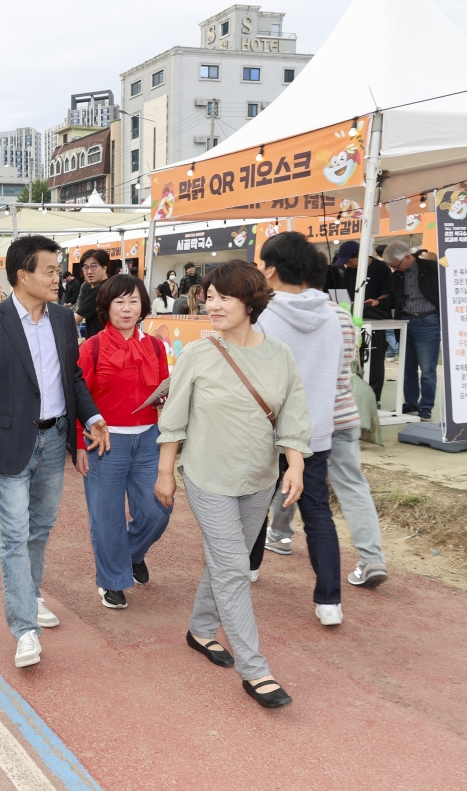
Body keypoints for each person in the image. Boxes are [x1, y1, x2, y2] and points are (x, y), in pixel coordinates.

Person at [154, 260, 310, 709]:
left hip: (259, 478)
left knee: (231, 562)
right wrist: (166, 472)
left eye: (224, 296)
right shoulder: (199, 354)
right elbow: (175, 419)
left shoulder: (279, 354)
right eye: (209, 295)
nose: (212, 303)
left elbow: (293, 415)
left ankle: (202, 629)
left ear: (250, 301)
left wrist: (294, 465)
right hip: (208, 477)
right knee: (233, 569)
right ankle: (255, 669)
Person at [0, 235, 111, 669]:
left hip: (54, 439)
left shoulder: (64, 319)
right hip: (7, 445)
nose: (59, 277)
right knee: (12, 538)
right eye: (49, 270)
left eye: (58, 268)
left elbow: (74, 380)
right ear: (22, 275)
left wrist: (93, 418)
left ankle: (31, 593)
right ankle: (24, 629)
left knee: (39, 529)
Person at [256, 254, 389, 588]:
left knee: (289, 475)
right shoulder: (341, 316)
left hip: (299, 419)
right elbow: (346, 368)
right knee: (349, 486)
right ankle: (371, 559)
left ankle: (280, 534)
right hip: (341, 415)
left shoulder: (273, 316)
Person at [253, 232, 346, 626]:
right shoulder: (332, 313)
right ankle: (329, 602)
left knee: (255, 503)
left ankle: (249, 567)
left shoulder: (263, 316)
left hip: (269, 431)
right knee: (318, 513)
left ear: (271, 269)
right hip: (316, 431)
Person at [76, 275, 171, 609]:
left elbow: (163, 389)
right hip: (105, 442)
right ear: (106, 307)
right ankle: (112, 580)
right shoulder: (93, 347)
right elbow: (77, 396)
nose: (127, 309)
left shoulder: (156, 346)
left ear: (143, 304)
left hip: (149, 440)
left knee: (158, 510)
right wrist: (78, 445)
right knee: (107, 517)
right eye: (119, 302)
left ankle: (131, 553)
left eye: (133, 301)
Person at [385, 243, 440, 421]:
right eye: (391, 266)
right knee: (407, 367)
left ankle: (426, 406)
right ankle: (410, 402)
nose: (394, 269)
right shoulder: (398, 275)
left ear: (407, 257)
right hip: (405, 321)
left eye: (396, 265)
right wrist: (380, 302)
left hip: (427, 321)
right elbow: (395, 297)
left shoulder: (431, 268)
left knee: (427, 368)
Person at [339, 241, 392, 401]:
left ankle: (374, 398)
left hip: (374, 321)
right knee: (352, 359)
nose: (347, 264)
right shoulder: (347, 271)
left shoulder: (380, 269)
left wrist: (376, 301)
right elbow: (342, 294)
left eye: (349, 260)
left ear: (360, 256)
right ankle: (354, 397)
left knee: (374, 360)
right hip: (351, 321)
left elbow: (388, 293)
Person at [73, 248, 109, 340]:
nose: (89, 271)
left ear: (104, 268)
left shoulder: (100, 290)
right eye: (86, 267)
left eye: (94, 266)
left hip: (100, 347)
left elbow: (74, 320)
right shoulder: (109, 286)